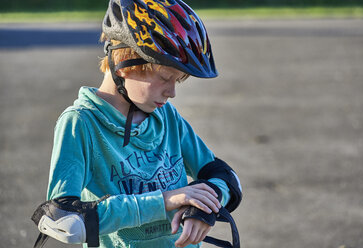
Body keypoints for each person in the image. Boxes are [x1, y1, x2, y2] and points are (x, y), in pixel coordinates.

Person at [31, 0, 242, 247]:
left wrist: (204, 208)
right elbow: (65, 221)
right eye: (165, 77)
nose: (172, 92)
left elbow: (226, 177)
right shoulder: (81, 123)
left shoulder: (166, 117)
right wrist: (163, 201)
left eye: (178, 81)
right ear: (123, 64)